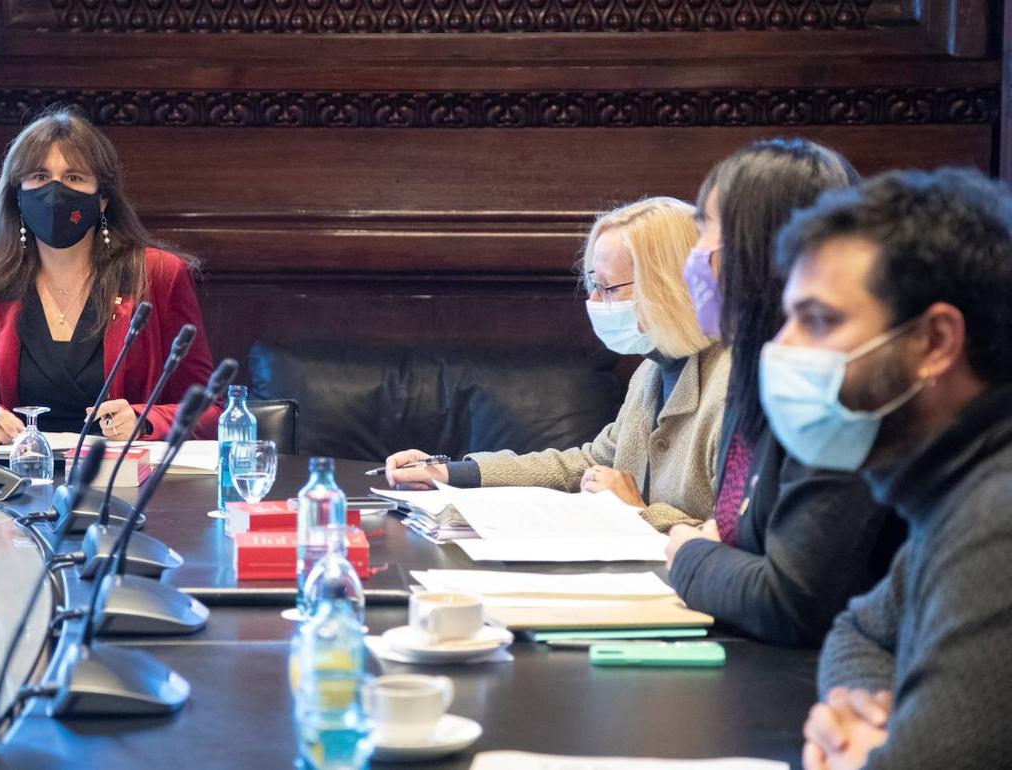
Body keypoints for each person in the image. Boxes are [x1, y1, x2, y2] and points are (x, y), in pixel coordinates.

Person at [775, 169, 1012, 770]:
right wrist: (864, 711)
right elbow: (860, 631)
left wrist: (873, 752)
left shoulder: (995, 517)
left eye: (818, 321)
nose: (783, 348)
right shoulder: (952, 489)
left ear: (935, 342)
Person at [665, 138, 903, 646]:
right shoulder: (754, 368)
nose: (695, 256)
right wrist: (717, 555)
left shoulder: (828, 387)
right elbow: (739, 542)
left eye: (707, 229)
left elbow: (791, 600)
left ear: (761, 246)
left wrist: (690, 556)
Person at [387, 197, 731, 531]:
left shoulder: (733, 391)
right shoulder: (652, 370)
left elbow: (735, 545)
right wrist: (449, 473)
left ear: (666, 287)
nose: (593, 300)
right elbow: (589, 464)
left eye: (607, 288)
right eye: (593, 285)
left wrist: (638, 514)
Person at [0, 107, 218, 445]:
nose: (55, 193)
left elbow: (210, 409)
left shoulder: (157, 275)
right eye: (40, 177)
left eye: (74, 178)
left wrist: (144, 421)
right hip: (15, 472)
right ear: (18, 196)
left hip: (120, 471)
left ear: (102, 198)